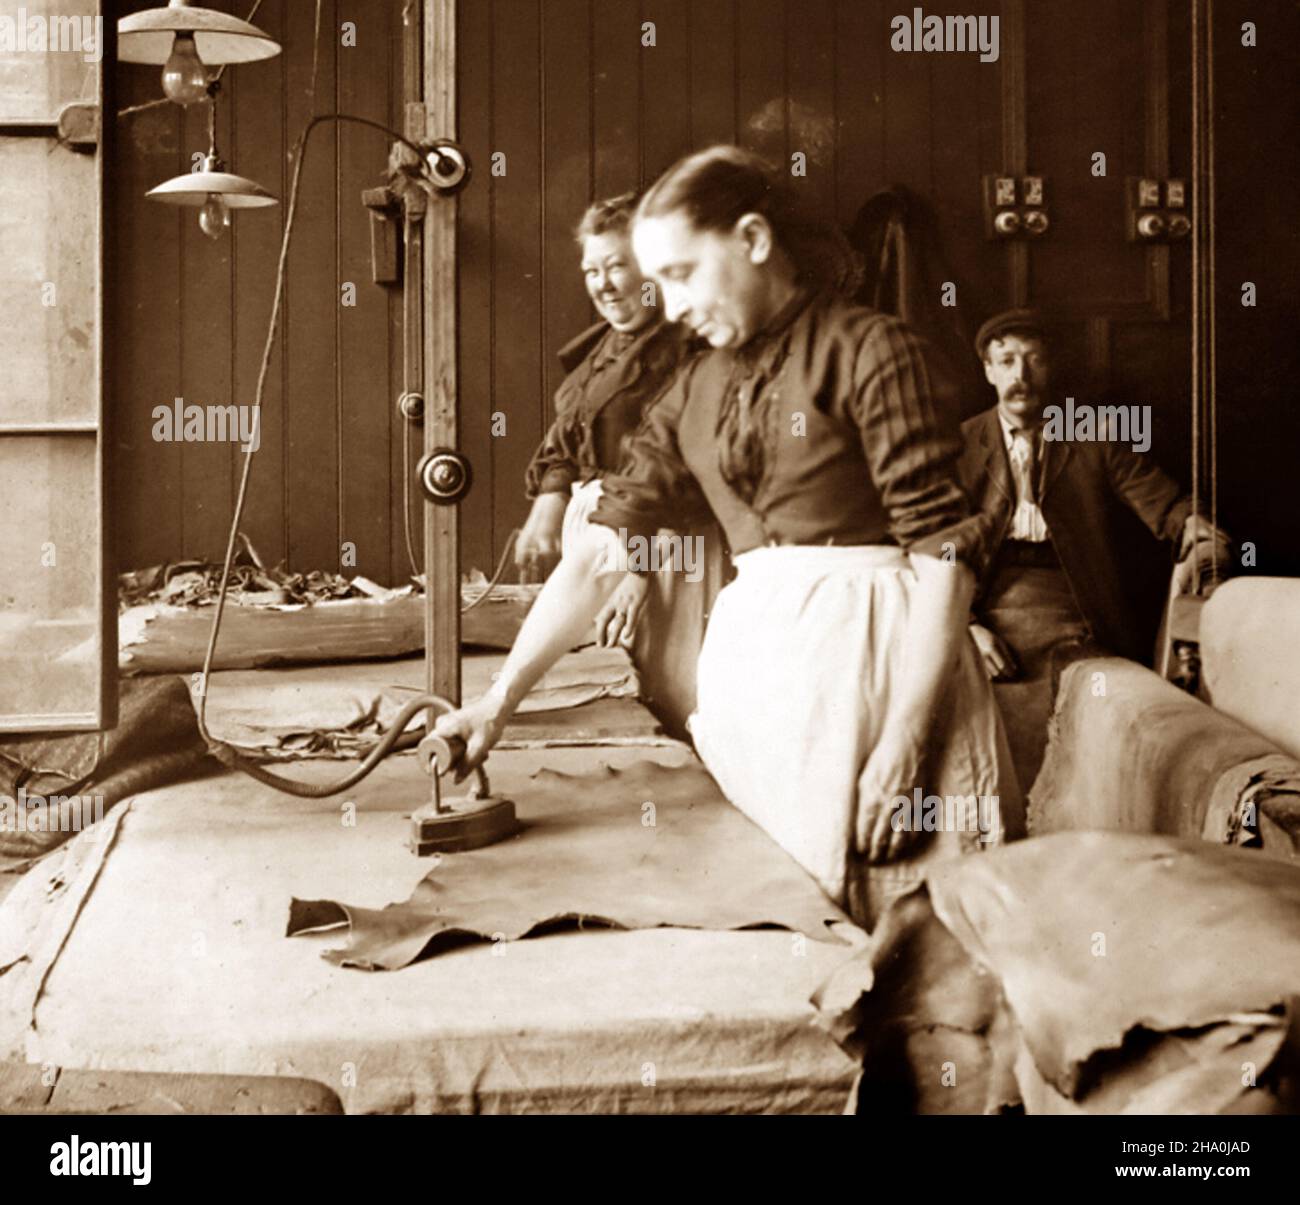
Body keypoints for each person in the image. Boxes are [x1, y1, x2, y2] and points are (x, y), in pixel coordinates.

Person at [438, 146, 1021, 929]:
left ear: (751, 240)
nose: (670, 306)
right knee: (790, 918)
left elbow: (943, 555)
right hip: (766, 674)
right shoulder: (696, 388)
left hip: (879, 662)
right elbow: (605, 550)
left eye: (681, 273)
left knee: (914, 932)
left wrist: (906, 745)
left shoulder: (871, 350)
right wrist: (496, 705)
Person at [958, 308, 1230, 787]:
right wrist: (968, 630)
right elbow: (930, 550)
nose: (1020, 376)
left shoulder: (1093, 430)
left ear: (1052, 366)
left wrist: (1196, 531)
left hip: (1077, 605)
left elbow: (1162, 501)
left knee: (1096, 731)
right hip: (986, 608)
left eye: (1034, 360)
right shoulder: (960, 444)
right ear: (987, 370)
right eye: (1006, 361)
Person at [514, 192, 698, 649]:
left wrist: (639, 570)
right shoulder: (606, 346)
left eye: (616, 267)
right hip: (604, 546)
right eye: (592, 272)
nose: (603, 285)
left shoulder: (684, 350)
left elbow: (675, 473)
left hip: (661, 552)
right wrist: (550, 499)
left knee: (660, 689)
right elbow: (570, 437)